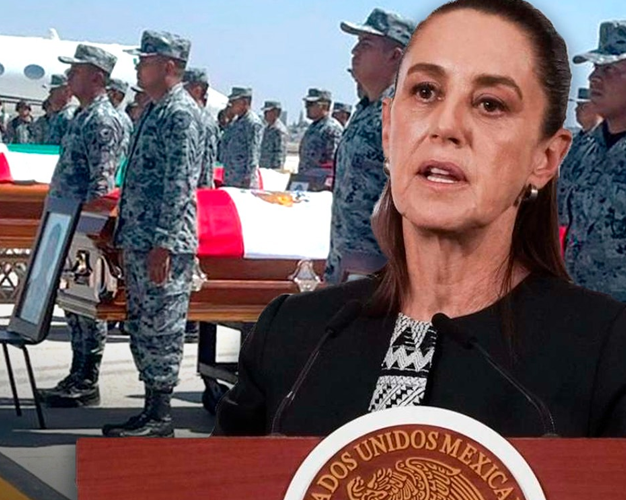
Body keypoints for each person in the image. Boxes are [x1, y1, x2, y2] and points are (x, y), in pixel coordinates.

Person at [214, 0, 626, 439]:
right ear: (388, 129)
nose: (446, 126)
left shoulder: (604, 355)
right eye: (426, 92)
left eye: (490, 104)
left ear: (545, 159)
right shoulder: (291, 336)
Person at [108, 30, 201, 438]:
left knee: (162, 327)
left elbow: (180, 183)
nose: (137, 67)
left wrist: (163, 242)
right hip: (140, 237)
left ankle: (161, 414)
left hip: (163, 242)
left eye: (145, 61)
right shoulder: (154, 109)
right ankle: (150, 409)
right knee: (143, 324)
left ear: (169, 66)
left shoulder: (180, 113)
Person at [38, 43, 123, 407]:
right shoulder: (82, 115)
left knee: (88, 303)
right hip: (68, 222)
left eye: (76, 71)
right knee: (73, 302)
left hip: (85, 226)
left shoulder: (102, 120)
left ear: (97, 77)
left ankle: (88, 378)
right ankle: (77, 373)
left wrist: (89, 232)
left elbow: (102, 183)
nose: (69, 76)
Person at [324, 7, 416, 284]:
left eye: (366, 44)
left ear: (395, 56)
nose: (355, 51)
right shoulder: (367, 109)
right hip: (349, 265)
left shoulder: (404, 114)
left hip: (382, 273)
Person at [562, 20, 626, 301]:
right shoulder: (585, 149)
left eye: (609, 68)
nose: (593, 78)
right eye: (595, 67)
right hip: (580, 306)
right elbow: (558, 212)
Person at [557, 87, 603, 228]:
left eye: (583, 106)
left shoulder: (604, 144)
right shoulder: (575, 140)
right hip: (565, 222)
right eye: (577, 105)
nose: (576, 110)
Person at [220, 87, 263, 188]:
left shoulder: (252, 123)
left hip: (243, 181)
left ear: (245, 102)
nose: (231, 105)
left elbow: (253, 153)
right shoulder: (236, 122)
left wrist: (249, 178)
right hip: (231, 178)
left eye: (234, 101)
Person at [183, 67, 218, 188]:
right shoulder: (190, 114)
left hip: (196, 186)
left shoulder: (204, 121)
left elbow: (207, 158)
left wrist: (204, 187)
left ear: (197, 90)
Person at [298, 88, 343, 175]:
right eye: (306, 104)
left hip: (320, 180)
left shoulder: (332, 129)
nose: (306, 107)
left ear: (325, 106)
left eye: (310, 104)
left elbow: (333, 162)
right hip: (305, 178)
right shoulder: (312, 127)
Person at [44, 74, 76, 145]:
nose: (50, 93)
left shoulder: (68, 116)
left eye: (53, 90)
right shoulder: (56, 115)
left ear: (66, 92)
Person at [106, 78, 134, 162]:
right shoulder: (106, 114)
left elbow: (123, 150)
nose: (106, 95)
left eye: (109, 91)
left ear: (117, 95)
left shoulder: (122, 119)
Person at [259, 100, 288, 170]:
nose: (265, 114)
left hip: (272, 169)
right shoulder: (267, 128)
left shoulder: (279, 130)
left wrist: (277, 170)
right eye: (264, 112)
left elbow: (280, 153)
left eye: (267, 112)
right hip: (263, 168)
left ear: (276, 112)